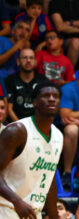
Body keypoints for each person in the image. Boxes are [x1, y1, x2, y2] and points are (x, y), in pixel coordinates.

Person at [0, 81, 62, 219]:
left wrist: (54, 216)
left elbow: (49, 180)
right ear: (34, 102)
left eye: (55, 96)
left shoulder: (58, 136)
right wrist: (16, 201)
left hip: (33, 213)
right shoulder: (17, 131)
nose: (52, 98)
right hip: (6, 209)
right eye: (46, 95)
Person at [4, 48, 44, 121]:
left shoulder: (43, 81)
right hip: (15, 124)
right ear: (18, 61)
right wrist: (21, 126)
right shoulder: (9, 80)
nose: (28, 61)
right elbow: (9, 109)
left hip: (37, 123)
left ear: (35, 62)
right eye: (24, 58)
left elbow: (44, 109)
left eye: (31, 58)